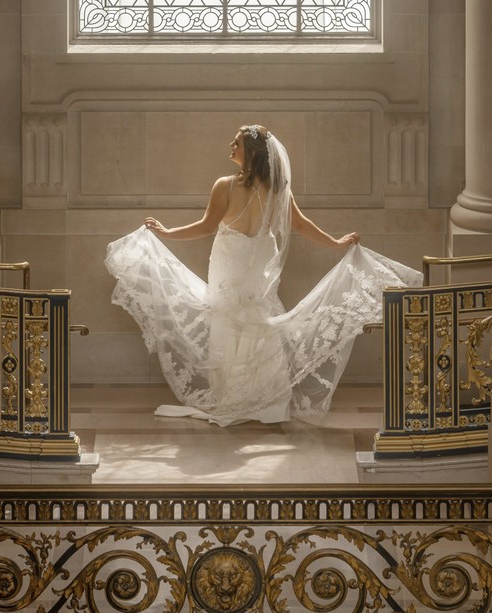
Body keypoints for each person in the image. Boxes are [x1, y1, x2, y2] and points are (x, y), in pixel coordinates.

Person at [104, 124, 422, 426]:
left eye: (237, 143)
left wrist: (168, 233)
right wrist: (335, 242)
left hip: (230, 262)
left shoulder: (225, 186)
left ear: (252, 152)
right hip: (255, 264)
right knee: (257, 319)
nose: (231, 146)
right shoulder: (278, 190)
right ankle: (266, 402)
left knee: (227, 320)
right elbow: (301, 225)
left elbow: (206, 226)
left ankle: (233, 396)